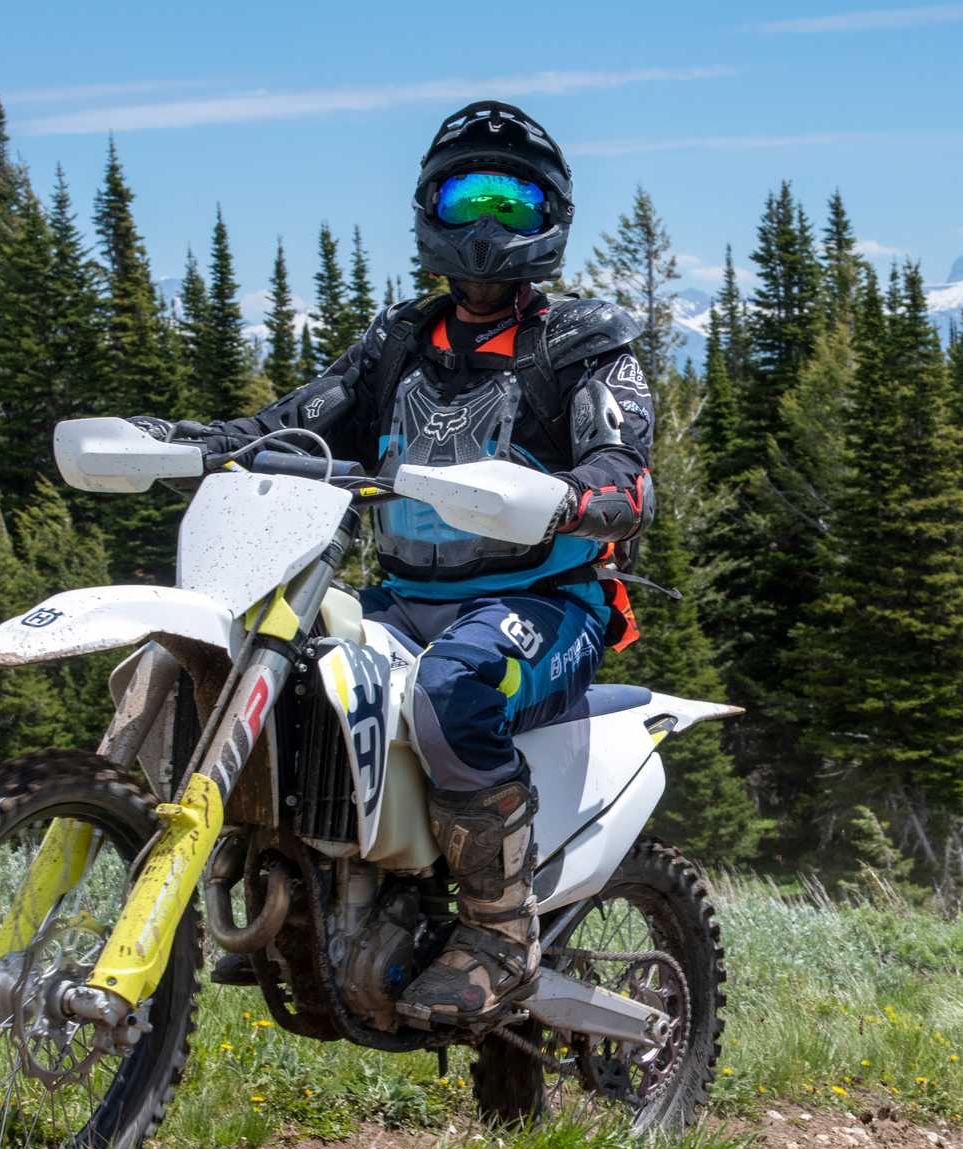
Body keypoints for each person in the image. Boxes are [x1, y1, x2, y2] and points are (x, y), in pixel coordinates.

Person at [133, 101, 654, 1025]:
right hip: (404, 596)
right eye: (466, 197)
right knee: (278, 667)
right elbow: (293, 422)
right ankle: (286, 882)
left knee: (455, 690)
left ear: (551, 217)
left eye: (512, 198)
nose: (487, 224)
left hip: (548, 600)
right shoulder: (399, 341)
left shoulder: (585, 344)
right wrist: (198, 444)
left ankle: (501, 935)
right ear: (429, 210)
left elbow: (626, 473)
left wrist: (578, 498)